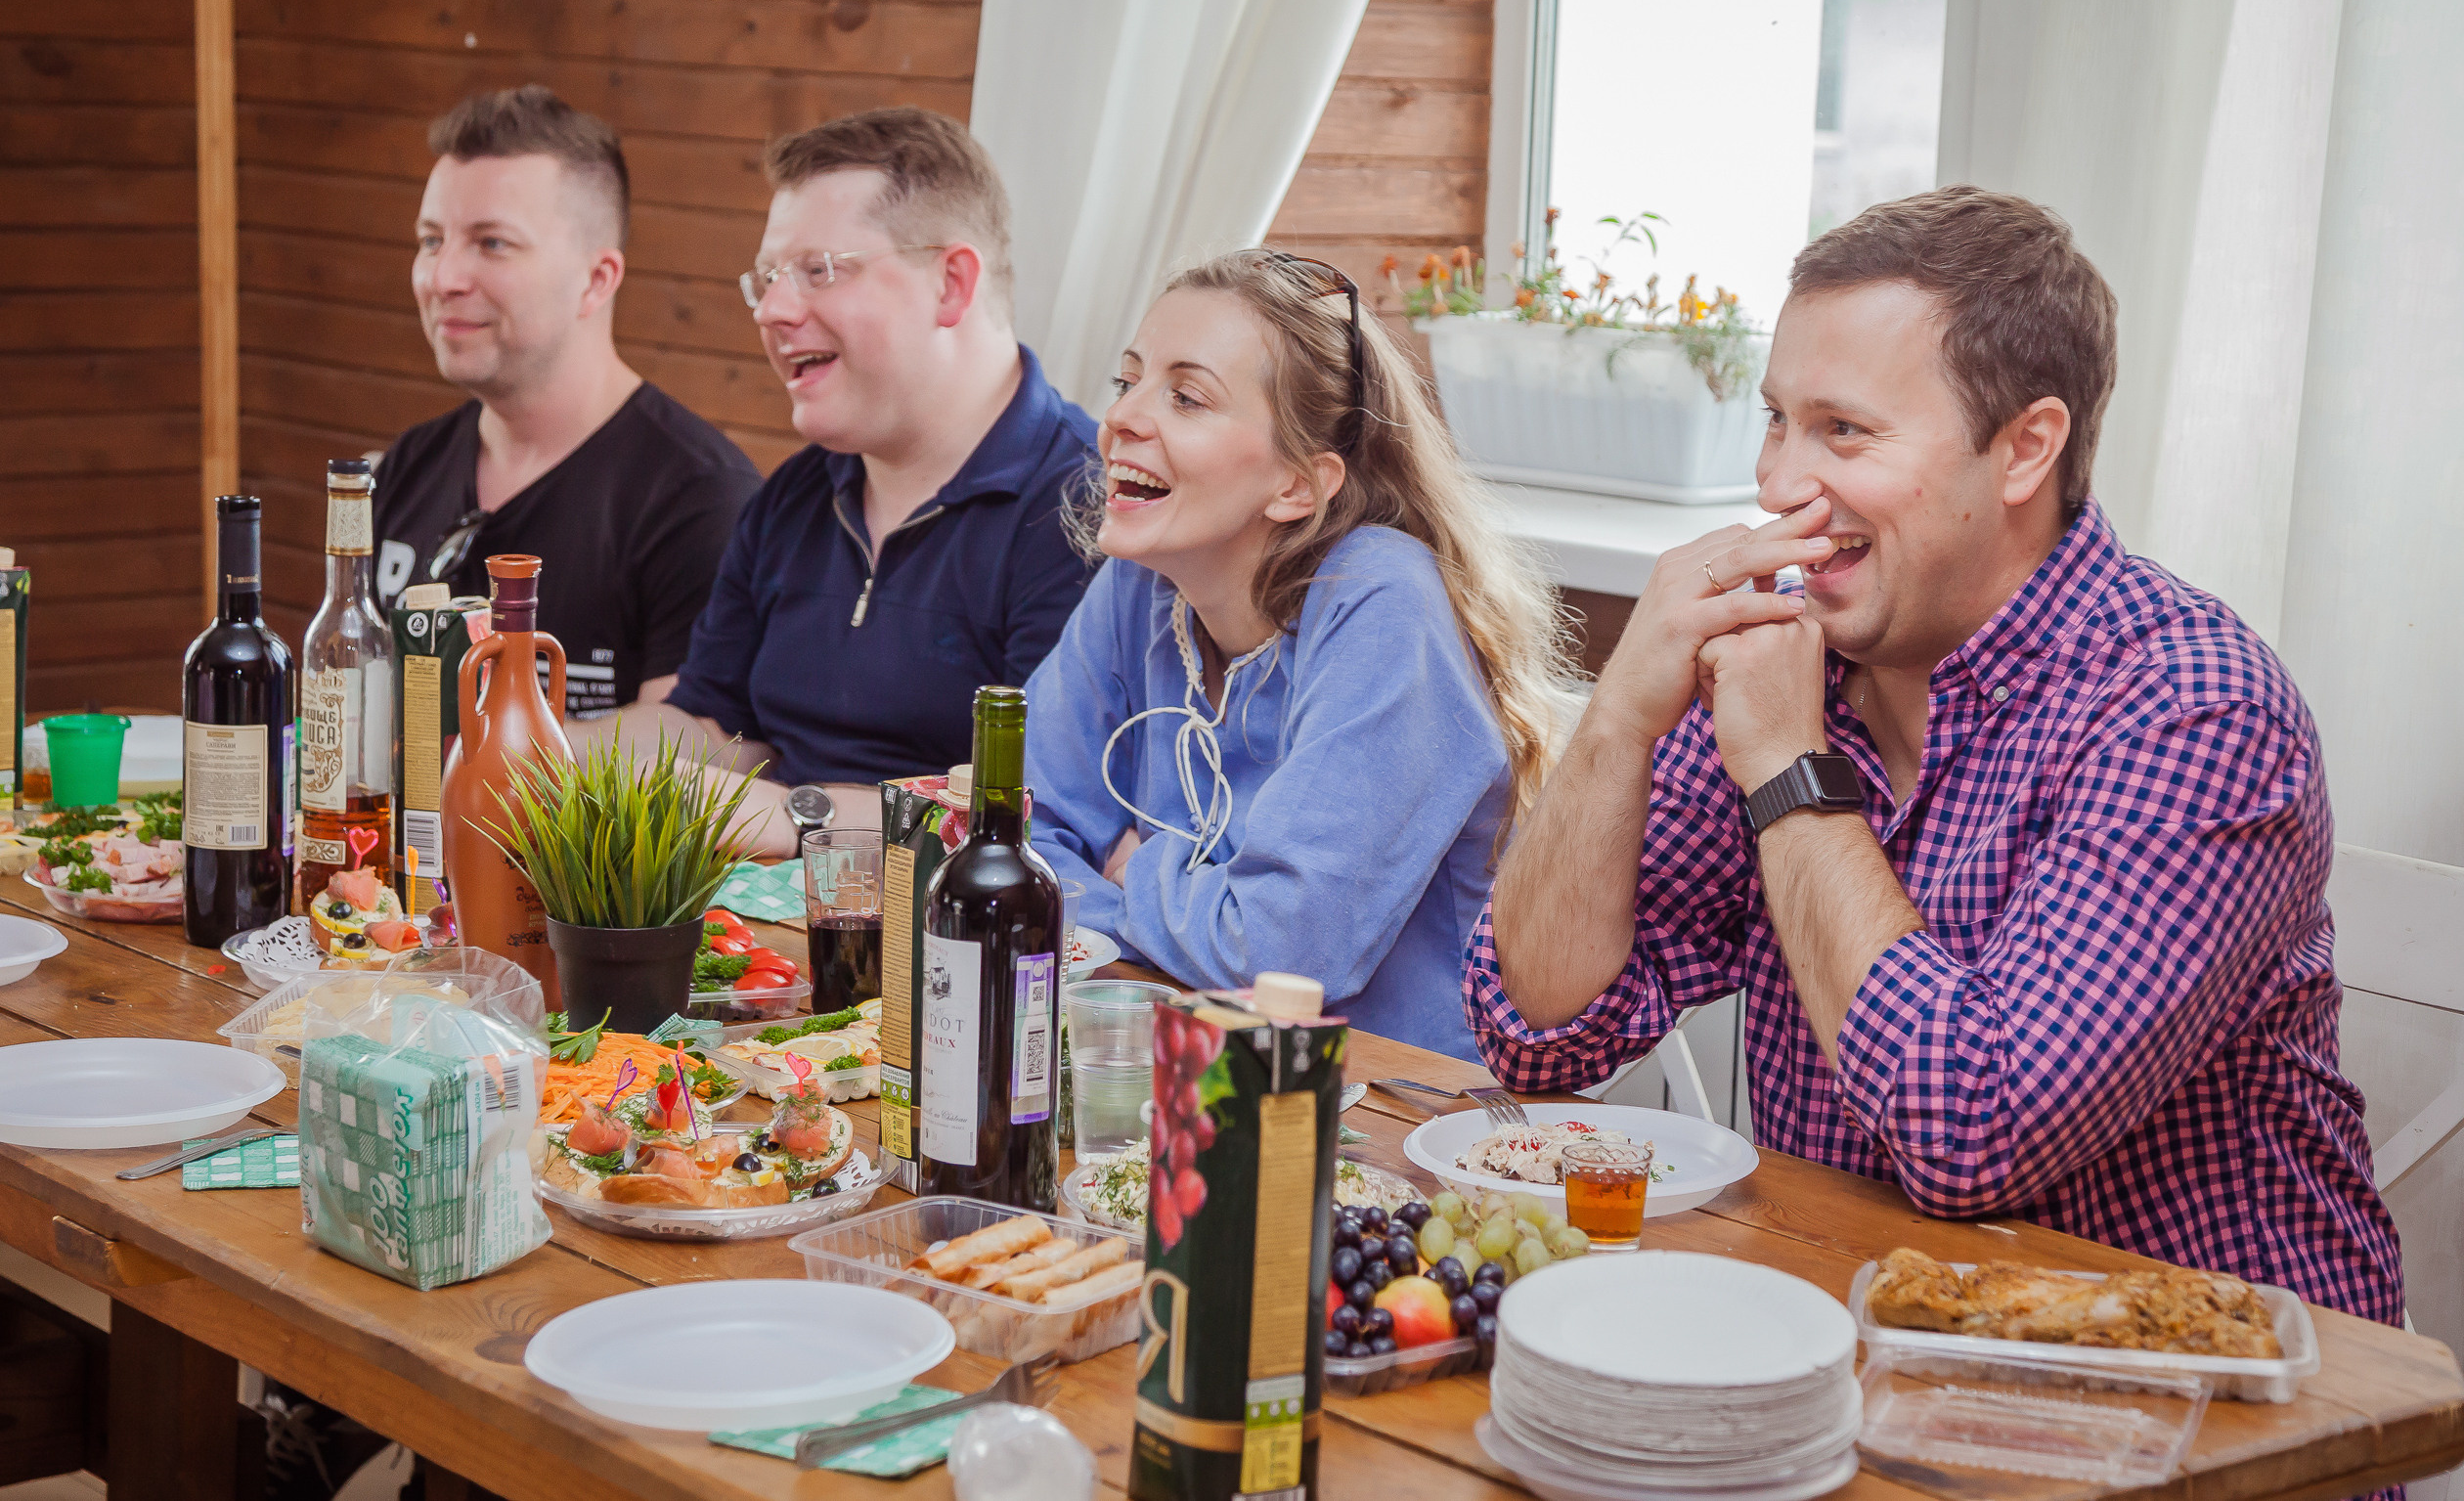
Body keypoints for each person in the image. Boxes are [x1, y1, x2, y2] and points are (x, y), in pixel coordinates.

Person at [1466, 188, 2401, 1319]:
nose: (1776, 484)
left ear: (2023, 449)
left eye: (1843, 429)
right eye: (1776, 419)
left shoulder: (2191, 707)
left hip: (2194, 1413)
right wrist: (1619, 717)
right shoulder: (1798, 668)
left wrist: (1785, 770)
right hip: (1855, 1357)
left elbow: (1971, 1131)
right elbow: (1542, 1025)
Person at [1022, 251, 1575, 1058]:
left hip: (1394, 1109)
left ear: (1296, 485)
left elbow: (1285, 955)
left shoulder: (1381, 599)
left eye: (1186, 396)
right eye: (1127, 382)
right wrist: (1191, 904)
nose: (1122, 419)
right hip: (1176, 1057)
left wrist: (1130, 869)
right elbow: (1009, 838)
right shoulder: (1140, 583)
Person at [578, 108, 1097, 844]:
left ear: (951, 284)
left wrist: (797, 815)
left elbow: (1036, 808)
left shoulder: (1082, 506)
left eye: (819, 270)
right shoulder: (793, 495)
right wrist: (538, 749)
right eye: (766, 280)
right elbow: (712, 725)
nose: (775, 311)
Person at [374, 86, 761, 717]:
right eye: (431, 239)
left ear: (596, 279)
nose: (444, 278)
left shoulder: (700, 498)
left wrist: (486, 765)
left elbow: (693, 752)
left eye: (492, 243)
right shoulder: (407, 466)